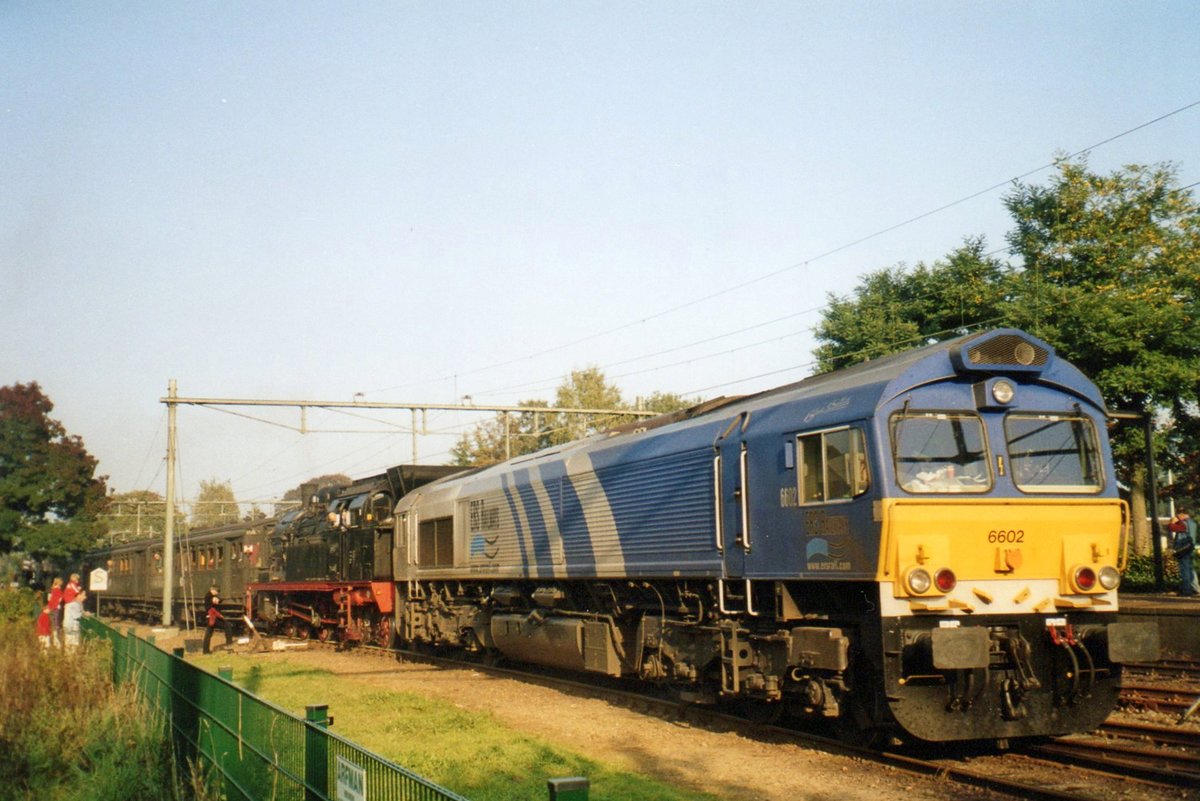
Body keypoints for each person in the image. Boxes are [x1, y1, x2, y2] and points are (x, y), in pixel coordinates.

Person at [1169, 509, 1199, 597]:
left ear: (1183, 514)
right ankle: (1196, 588)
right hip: (1190, 548)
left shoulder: (1183, 523)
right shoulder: (1193, 523)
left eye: (1179, 514)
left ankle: (1186, 590)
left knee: (1184, 569)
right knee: (1190, 569)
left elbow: (1171, 527)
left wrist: (1174, 520)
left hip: (1183, 549)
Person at [203, 584, 233, 654]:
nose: (218, 593)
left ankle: (205, 650)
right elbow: (214, 605)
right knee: (227, 625)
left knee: (208, 634)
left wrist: (219, 599)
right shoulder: (209, 596)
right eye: (217, 591)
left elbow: (217, 600)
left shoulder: (210, 596)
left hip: (210, 617)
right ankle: (229, 644)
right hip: (213, 617)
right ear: (213, 590)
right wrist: (220, 616)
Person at [47, 577, 64, 648]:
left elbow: (49, 599)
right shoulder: (58, 590)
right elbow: (60, 598)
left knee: (53, 623)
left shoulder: (52, 590)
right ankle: (56, 641)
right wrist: (58, 604)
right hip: (56, 608)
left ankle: (53, 639)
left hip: (51, 607)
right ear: (59, 583)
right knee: (56, 623)